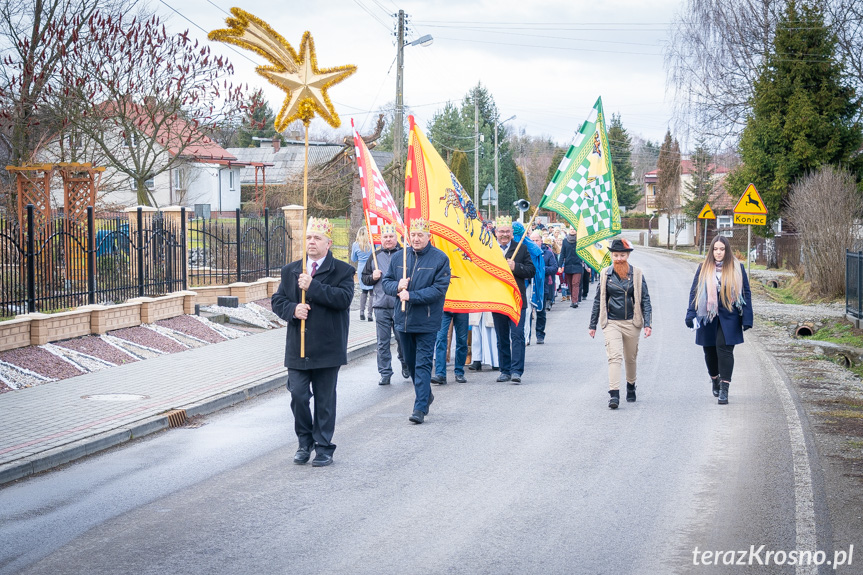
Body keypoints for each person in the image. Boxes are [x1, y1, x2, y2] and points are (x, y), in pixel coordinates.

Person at [271, 217, 354, 467]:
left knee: (325, 399)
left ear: (328, 243)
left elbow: (343, 299)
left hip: (328, 347)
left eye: (317, 238)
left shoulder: (343, 271)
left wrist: (313, 286)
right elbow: (278, 301)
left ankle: (324, 446)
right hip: (299, 346)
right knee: (297, 395)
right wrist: (293, 309)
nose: (311, 242)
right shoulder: (291, 270)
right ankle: (304, 441)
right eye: (308, 237)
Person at [383, 218, 451, 424]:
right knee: (410, 364)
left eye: (420, 235)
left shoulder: (440, 259)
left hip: (427, 321)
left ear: (429, 237)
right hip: (403, 320)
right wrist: (397, 286)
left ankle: (420, 407)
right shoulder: (398, 258)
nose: (416, 238)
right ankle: (426, 394)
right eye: (413, 234)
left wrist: (412, 296)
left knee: (422, 364)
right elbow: (385, 283)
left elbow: (439, 289)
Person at [685, 235, 753, 405]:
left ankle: (724, 389)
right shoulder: (703, 268)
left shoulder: (738, 268)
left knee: (725, 349)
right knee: (709, 351)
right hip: (708, 314)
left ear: (727, 251)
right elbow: (694, 292)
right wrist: (690, 314)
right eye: (715, 249)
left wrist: (747, 317)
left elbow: (746, 293)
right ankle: (715, 378)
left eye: (722, 249)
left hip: (729, 314)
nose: (718, 252)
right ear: (711, 251)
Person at [588, 238, 653, 409]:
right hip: (611, 322)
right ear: (611, 255)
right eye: (615, 255)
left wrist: (648, 323)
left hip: (632, 321)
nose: (619, 258)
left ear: (628, 255)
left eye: (622, 255)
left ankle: (631, 385)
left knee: (630, 358)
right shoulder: (605, 274)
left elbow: (645, 299)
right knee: (614, 357)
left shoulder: (637, 273)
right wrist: (592, 324)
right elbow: (598, 300)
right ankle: (614, 394)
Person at [361, 223, 408, 385]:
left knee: (402, 339)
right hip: (380, 305)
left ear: (396, 238)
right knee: (382, 341)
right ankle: (385, 372)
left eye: (391, 237)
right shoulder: (375, 256)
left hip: (399, 304)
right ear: (381, 239)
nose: (388, 240)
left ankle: (405, 362)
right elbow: (364, 278)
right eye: (385, 237)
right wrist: (372, 277)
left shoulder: (404, 255)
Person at [491, 216, 536, 384]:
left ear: (512, 233)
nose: (504, 234)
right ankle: (505, 370)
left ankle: (517, 371)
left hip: (517, 300)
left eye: (507, 231)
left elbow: (531, 271)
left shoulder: (521, 249)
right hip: (498, 300)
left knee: (517, 336)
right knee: (501, 336)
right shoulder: (490, 250)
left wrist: (515, 267)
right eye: (501, 231)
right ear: (496, 232)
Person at [531, 230, 558, 344]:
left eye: (536, 240)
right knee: (527, 313)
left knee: (541, 312)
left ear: (541, 241)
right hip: (529, 287)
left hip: (543, 286)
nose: (534, 242)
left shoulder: (547, 253)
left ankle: (540, 334)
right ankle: (526, 336)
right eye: (532, 240)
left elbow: (554, 268)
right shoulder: (526, 252)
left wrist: (541, 269)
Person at [432, 308, 469, 385]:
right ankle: (440, 374)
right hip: (444, 306)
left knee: (462, 340)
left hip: (461, 305)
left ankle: (459, 371)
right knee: (441, 338)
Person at [351, 227, 374, 321]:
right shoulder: (372, 244)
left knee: (363, 291)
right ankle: (369, 314)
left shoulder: (355, 245)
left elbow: (353, 259)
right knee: (372, 292)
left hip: (361, 267)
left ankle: (361, 312)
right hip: (370, 267)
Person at [558, 227, 585, 308]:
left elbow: (585, 253)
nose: (572, 230)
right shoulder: (565, 241)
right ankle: (573, 299)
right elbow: (562, 253)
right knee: (570, 284)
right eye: (571, 229)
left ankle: (574, 301)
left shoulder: (580, 240)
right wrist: (560, 265)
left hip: (577, 265)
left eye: (574, 229)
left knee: (575, 283)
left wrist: (586, 264)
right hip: (568, 265)